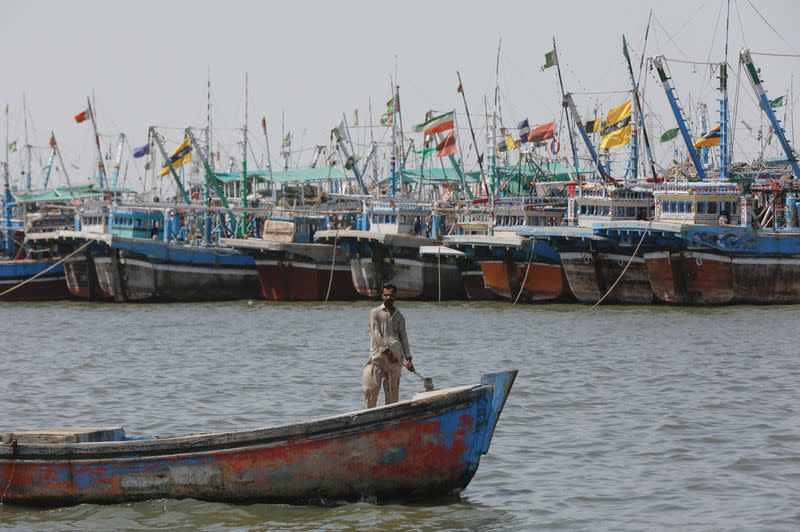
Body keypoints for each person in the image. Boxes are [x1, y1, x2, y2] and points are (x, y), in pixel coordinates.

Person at [362, 283, 414, 408]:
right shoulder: (375, 313)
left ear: (396, 296)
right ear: (382, 296)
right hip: (377, 358)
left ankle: (391, 420)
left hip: (396, 360)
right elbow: (376, 333)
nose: (388, 297)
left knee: (392, 396)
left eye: (391, 295)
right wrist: (386, 351)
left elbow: (404, 337)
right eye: (386, 295)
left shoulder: (400, 316)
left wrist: (409, 359)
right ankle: (369, 419)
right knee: (370, 392)